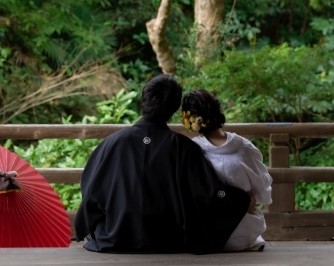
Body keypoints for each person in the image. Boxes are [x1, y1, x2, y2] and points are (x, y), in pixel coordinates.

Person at [75, 74, 252, 254]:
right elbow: (205, 195)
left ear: (143, 100)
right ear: (174, 108)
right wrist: (240, 198)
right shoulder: (183, 147)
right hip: (168, 241)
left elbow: (91, 189)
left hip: (115, 237)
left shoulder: (111, 144)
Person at [182, 89, 273, 251]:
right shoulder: (244, 147)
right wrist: (249, 199)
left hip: (208, 233)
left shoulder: (192, 149)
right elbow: (262, 188)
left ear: (191, 120)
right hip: (245, 233)